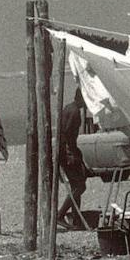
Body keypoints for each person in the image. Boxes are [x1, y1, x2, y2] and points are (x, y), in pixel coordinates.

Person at [56, 91, 89, 229]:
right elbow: (68, 133)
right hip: (68, 152)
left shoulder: (68, 107)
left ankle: (76, 219)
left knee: (78, 182)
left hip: (66, 151)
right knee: (80, 186)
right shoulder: (75, 112)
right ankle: (60, 215)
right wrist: (73, 154)